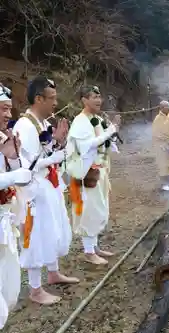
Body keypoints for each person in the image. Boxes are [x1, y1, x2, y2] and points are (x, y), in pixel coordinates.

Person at [12, 76, 79, 304]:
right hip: (34, 189)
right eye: (51, 98)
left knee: (54, 228)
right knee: (36, 235)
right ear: (38, 98)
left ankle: (53, 272)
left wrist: (58, 144)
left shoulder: (42, 123)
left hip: (49, 183)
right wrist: (56, 154)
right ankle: (35, 289)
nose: (55, 103)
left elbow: (45, 152)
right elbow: (26, 164)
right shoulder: (24, 125)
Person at [66, 86, 121, 265]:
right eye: (94, 97)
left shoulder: (96, 119)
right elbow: (86, 146)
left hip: (99, 171)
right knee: (89, 211)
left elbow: (103, 142)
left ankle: (95, 246)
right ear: (84, 100)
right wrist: (109, 131)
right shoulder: (80, 121)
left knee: (99, 209)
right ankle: (88, 251)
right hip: (86, 174)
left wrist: (112, 134)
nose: (99, 100)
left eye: (99, 96)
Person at [0, 84, 33, 328]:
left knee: (9, 291)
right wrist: (13, 176)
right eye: (3, 109)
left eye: (9, 109)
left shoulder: (4, 137)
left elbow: (15, 173)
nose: (8, 115)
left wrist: (12, 160)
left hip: (4, 223)